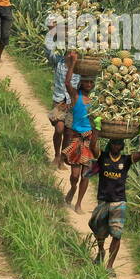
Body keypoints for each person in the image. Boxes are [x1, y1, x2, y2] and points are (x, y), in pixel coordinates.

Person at [89, 128, 140, 271]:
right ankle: (101, 250)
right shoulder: (103, 157)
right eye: (114, 144)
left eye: (119, 144)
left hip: (119, 201)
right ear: (110, 144)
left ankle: (110, 266)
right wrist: (97, 128)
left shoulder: (126, 160)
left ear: (122, 146)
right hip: (103, 200)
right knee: (98, 229)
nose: (116, 146)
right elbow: (92, 146)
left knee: (117, 234)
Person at [62, 76, 98, 211]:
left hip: (90, 141)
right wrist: (72, 64)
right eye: (86, 81)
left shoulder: (97, 101)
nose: (89, 84)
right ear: (81, 83)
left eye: (91, 81)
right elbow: (66, 83)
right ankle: (73, 187)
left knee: (86, 175)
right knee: (75, 175)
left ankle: (78, 203)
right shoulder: (76, 96)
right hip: (76, 139)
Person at [45, 39, 79, 167]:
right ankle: (56, 155)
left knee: (68, 132)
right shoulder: (59, 62)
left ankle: (62, 158)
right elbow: (48, 51)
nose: (72, 53)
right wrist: (52, 33)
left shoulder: (80, 68)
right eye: (70, 50)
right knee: (59, 129)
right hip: (59, 100)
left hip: (72, 103)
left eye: (75, 51)